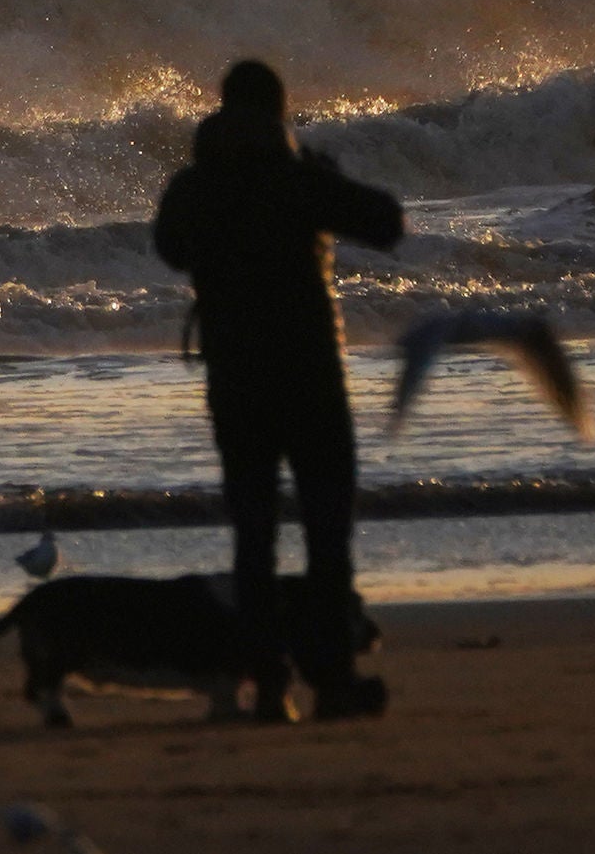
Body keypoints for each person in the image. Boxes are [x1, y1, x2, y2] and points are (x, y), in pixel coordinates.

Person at [150, 58, 405, 722]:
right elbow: (385, 222)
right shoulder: (297, 181)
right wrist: (327, 178)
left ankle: (265, 682)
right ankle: (332, 677)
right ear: (277, 112)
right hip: (310, 377)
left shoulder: (193, 187)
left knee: (253, 536)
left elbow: (169, 247)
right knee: (326, 533)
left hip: (236, 382)